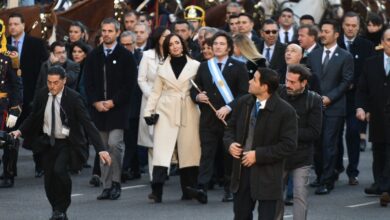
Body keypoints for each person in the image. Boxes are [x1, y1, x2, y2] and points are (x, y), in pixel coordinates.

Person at [10, 66, 111, 220]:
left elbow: (88, 123)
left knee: (59, 171)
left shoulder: (73, 98)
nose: (52, 86)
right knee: (49, 180)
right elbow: (33, 116)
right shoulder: (43, 94)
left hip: (67, 143)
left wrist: (101, 149)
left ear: (64, 81)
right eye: (49, 82)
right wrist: (19, 131)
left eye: (56, 82)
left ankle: (62, 208)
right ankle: (57, 209)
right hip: (47, 142)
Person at [224, 67, 297, 220]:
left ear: (264, 87)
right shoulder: (244, 102)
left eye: (254, 79)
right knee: (241, 216)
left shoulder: (286, 111)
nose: (249, 81)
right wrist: (230, 144)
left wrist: (258, 155)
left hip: (268, 176)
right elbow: (230, 128)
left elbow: (288, 145)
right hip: (242, 173)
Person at [187, 31, 249, 204]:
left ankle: (230, 188)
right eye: (215, 44)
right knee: (207, 154)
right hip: (208, 118)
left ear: (229, 47)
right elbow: (194, 89)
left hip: (230, 120)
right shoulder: (205, 66)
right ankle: (202, 188)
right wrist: (198, 97)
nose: (218, 47)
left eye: (222, 44)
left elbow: (245, 94)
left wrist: (228, 107)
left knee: (228, 155)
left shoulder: (238, 66)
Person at [143, 33, 201, 203]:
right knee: (162, 150)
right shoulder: (162, 67)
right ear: (167, 48)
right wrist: (148, 112)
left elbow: (199, 89)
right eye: (171, 44)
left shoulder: (196, 65)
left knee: (189, 151)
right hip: (166, 110)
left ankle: (189, 190)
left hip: (188, 110)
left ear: (183, 44)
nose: (175, 46)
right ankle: (157, 191)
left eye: (177, 43)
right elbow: (155, 92)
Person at [84, 18, 137, 201]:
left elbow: (129, 85)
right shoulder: (94, 55)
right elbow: (88, 83)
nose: (106, 34)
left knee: (115, 144)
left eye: (110, 31)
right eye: (104, 30)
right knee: (103, 148)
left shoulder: (125, 56)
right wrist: (95, 102)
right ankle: (106, 186)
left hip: (118, 109)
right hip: (99, 110)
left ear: (117, 32)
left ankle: (116, 183)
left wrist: (113, 102)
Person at [306, 20, 353, 195]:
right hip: (315, 107)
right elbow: (309, 80)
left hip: (335, 108)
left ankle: (327, 179)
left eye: (326, 31)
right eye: (321, 31)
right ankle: (320, 175)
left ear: (336, 34)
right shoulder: (313, 55)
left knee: (329, 144)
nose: (322, 34)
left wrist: (330, 98)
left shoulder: (345, 56)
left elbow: (346, 81)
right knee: (317, 145)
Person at [6, 12, 48, 180]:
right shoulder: (4, 44)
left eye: (16, 24)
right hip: (11, 99)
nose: (13, 27)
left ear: (23, 25)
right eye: (10, 24)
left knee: (34, 133)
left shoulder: (36, 44)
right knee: (10, 134)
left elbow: (44, 70)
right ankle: (9, 170)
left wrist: (40, 95)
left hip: (32, 96)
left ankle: (40, 165)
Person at [335, 12, 375, 185]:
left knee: (352, 132)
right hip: (336, 97)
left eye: (354, 26)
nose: (350, 29)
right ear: (342, 26)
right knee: (334, 135)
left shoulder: (366, 45)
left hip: (356, 99)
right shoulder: (334, 43)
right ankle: (336, 167)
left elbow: (369, 73)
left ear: (359, 27)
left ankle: (353, 171)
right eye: (347, 25)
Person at [279, 64, 323, 220]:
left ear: (303, 83)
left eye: (293, 82)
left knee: (300, 195)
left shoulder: (314, 100)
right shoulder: (278, 93)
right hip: (279, 154)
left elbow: (314, 132)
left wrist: (288, 132)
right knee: (276, 196)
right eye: (287, 80)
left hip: (302, 156)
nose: (288, 85)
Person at [356, 28, 390, 202]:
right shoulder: (371, 63)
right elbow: (362, 89)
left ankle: (385, 187)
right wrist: (361, 107)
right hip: (376, 116)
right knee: (379, 151)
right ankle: (379, 184)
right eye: (389, 40)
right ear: (382, 42)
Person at [137, 27, 170, 181]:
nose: (169, 39)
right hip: (150, 101)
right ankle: (154, 175)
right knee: (152, 140)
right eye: (165, 36)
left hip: (170, 101)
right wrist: (152, 96)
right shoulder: (147, 56)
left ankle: (165, 170)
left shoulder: (174, 55)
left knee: (166, 137)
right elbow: (141, 79)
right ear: (158, 38)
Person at [0, 19, 23, 188]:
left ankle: (8, 172)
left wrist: (15, 109)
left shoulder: (10, 53)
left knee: (8, 141)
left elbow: (16, 83)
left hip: (4, 104)